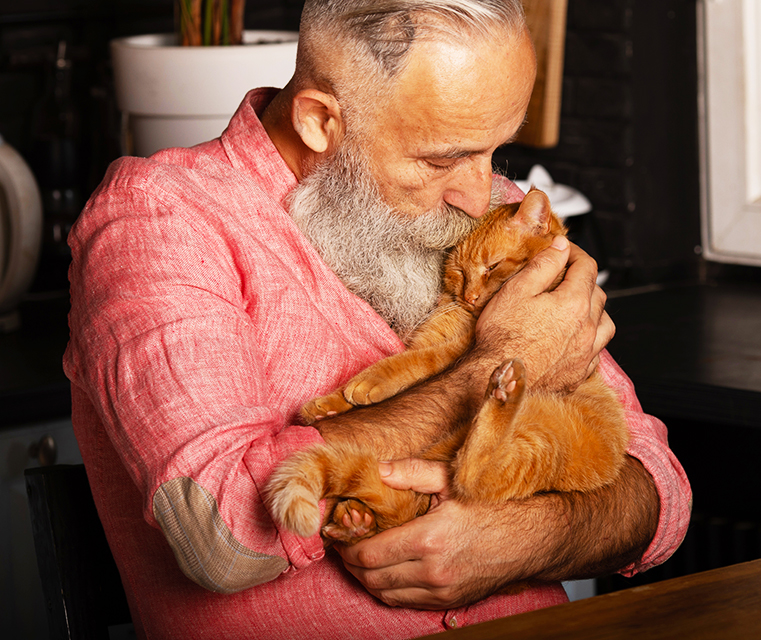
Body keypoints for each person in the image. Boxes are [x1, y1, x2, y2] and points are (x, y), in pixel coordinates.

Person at [64, 1, 691, 638]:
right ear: (319, 121)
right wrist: (500, 368)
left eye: (496, 151)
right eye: (441, 160)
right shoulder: (160, 219)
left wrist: (524, 539)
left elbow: (656, 491)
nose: (484, 196)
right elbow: (218, 536)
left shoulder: (493, 216)